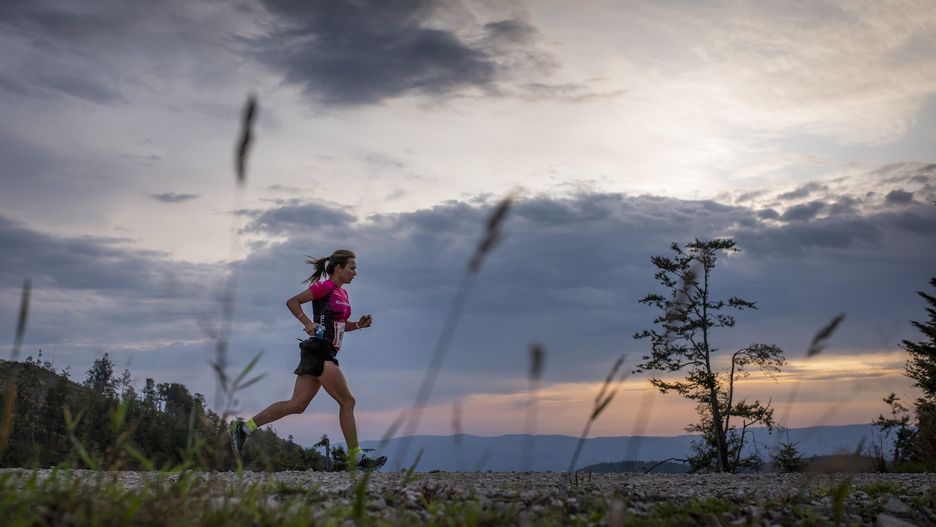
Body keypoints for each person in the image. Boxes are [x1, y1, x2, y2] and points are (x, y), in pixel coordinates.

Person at [229, 249, 387, 470]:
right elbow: (293, 302)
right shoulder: (326, 287)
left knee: (297, 405)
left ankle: (244, 428)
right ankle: (358, 458)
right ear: (339, 268)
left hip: (323, 351)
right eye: (352, 267)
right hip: (320, 351)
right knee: (348, 401)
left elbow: (340, 325)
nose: (355, 272)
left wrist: (358, 324)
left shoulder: (342, 293)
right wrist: (307, 322)